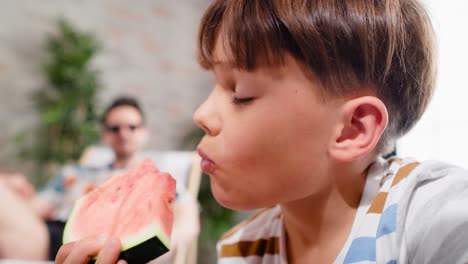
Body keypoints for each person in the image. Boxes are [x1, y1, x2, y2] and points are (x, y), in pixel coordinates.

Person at [56, 0, 468, 263]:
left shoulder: (428, 216)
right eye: (213, 85)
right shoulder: (240, 250)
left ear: (351, 129)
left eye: (240, 94)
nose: (201, 114)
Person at [0, 96, 199, 262]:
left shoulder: (160, 180)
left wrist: (153, 249)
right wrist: (11, 187)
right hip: (50, 241)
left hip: (119, 248)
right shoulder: (75, 173)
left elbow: (188, 223)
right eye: (115, 128)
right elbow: (32, 209)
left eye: (132, 127)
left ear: (144, 133)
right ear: (105, 135)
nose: (124, 133)